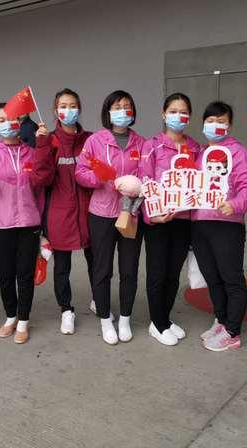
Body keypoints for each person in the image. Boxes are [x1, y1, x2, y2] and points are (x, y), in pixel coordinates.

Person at [75, 90, 145, 345]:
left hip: (131, 214)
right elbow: (80, 172)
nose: (122, 111)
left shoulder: (141, 143)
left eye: (127, 106)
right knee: (102, 269)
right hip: (102, 214)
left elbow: (149, 175)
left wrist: (138, 186)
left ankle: (125, 318)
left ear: (133, 112)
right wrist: (99, 179)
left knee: (130, 269)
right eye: (116, 107)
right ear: (108, 112)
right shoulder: (95, 141)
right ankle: (105, 318)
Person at [0, 103, 44, 344]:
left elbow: (40, 192)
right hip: (0, 223)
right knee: (6, 274)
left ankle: (23, 320)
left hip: (29, 222)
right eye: (1, 120)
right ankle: (11, 316)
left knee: (25, 274)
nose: (8, 124)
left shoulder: (32, 154)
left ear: (20, 122)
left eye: (11, 119)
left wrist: (40, 222)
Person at [191, 101, 247, 352]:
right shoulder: (200, 153)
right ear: (203, 124)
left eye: (221, 121)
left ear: (229, 125)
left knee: (231, 278)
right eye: (210, 121)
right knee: (212, 277)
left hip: (227, 224)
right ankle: (221, 320)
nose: (215, 125)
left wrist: (235, 204)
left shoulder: (238, 152)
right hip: (200, 223)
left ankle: (232, 331)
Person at [139, 93, 200, 346]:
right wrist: (153, 214)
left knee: (174, 273)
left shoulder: (195, 147)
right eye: (173, 111)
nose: (178, 116)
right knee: (157, 272)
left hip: (183, 218)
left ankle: (164, 317)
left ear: (189, 117)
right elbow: (145, 181)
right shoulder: (152, 145)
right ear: (164, 115)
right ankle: (157, 323)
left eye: (183, 111)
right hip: (159, 219)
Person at [31, 88, 93, 335]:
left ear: (80, 108)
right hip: (60, 215)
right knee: (62, 267)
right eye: (63, 106)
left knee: (97, 263)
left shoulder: (90, 139)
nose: (68, 110)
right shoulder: (49, 140)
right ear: (55, 110)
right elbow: (40, 179)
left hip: (90, 212)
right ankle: (66, 310)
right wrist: (42, 146)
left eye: (73, 105)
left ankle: (99, 300)